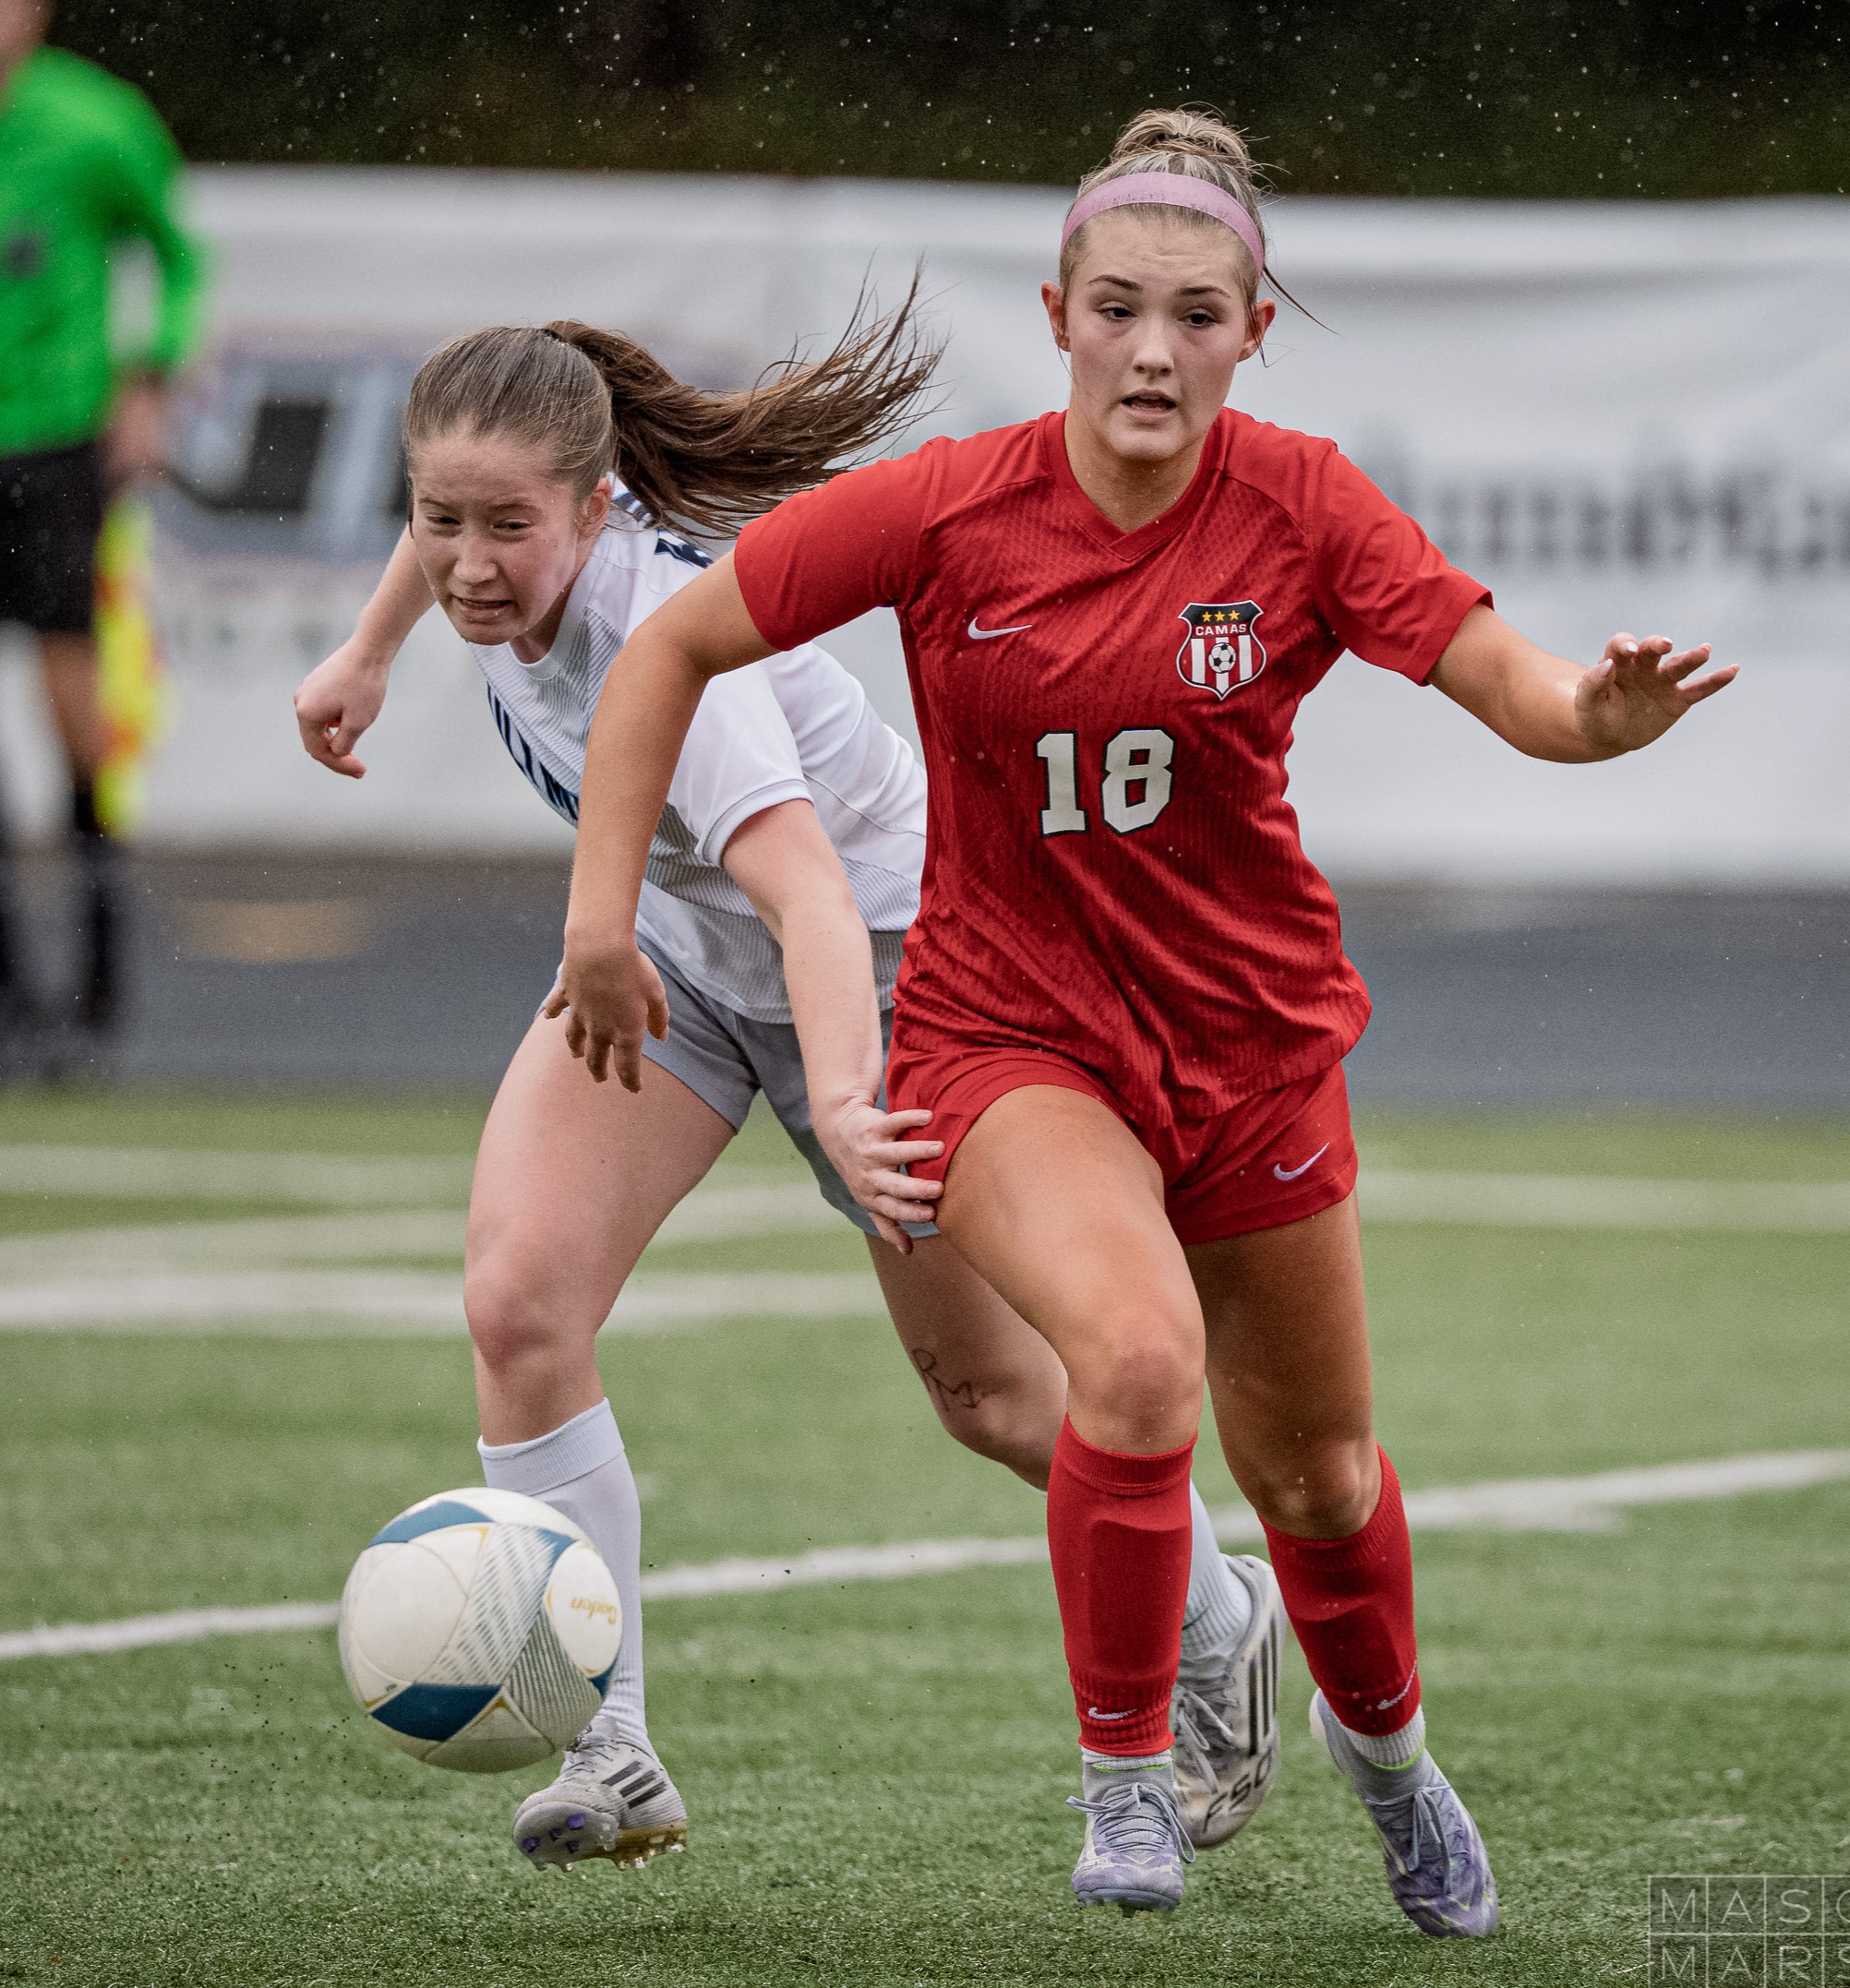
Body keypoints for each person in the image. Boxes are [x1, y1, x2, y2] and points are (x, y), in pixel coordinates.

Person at [549, 107, 1737, 1928]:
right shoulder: (956, 505)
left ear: (1252, 331)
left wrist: (1595, 714)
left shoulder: (1307, 502)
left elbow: (1512, 682)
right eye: (1120, 308)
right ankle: (1128, 1788)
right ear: (1058, 315)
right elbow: (666, 649)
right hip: (1015, 1042)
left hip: (1253, 1048)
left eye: (1198, 314)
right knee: (1131, 1357)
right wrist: (597, 923)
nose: (1155, 348)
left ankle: (1397, 1773)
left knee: (1323, 1481)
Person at [294, 312, 1280, 1875]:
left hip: (893, 976)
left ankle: (1223, 1611)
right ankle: (610, 1748)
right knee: (518, 1302)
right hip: (675, 976)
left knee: (1002, 1402)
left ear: (598, 505)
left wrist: (842, 1100)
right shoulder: (491, 544)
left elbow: (813, 895)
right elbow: (454, 535)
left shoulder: (674, 646)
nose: (466, 563)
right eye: (437, 521)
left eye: (506, 528)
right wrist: (366, 646)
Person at [0, 0, 205, 1045]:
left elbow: (178, 255)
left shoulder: (91, 122)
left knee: (71, 698)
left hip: (51, 448)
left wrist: (146, 378)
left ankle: (97, 950)